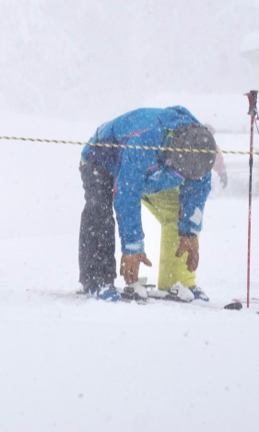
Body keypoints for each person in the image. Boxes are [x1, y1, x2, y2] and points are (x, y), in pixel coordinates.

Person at [79, 106, 216, 302]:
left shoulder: (200, 152)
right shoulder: (143, 142)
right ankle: (97, 281)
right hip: (102, 162)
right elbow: (127, 195)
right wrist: (132, 248)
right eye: (179, 173)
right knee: (99, 212)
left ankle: (177, 282)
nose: (181, 177)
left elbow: (196, 193)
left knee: (176, 215)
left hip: (153, 173)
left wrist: (189, 232)